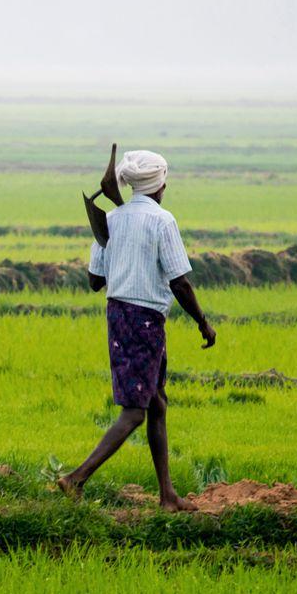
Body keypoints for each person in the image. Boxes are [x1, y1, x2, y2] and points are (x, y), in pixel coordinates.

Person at [58, 150, 216, 512]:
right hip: (145, 320)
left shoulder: (110, 220)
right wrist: (202, 322)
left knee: (157, 402)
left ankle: (167, 496)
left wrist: (115, 248)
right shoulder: (162, 221)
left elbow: (95, 281)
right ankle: (76, 478)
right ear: (160, 184)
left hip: (119, 315)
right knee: (135, 412)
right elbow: (180, 282)